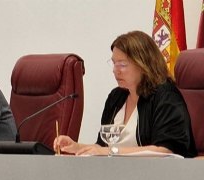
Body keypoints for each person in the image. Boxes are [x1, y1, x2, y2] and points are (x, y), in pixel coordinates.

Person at [54, 31, 196, 157]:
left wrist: (111, 152)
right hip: (119, 174)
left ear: (143, 65)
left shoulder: (165, 96)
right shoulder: (116, 97)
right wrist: (77, 147)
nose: (115, 71)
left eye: (122, 64)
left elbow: (165, 151)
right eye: (114, 63)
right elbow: (103, 147)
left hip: (158, 177)